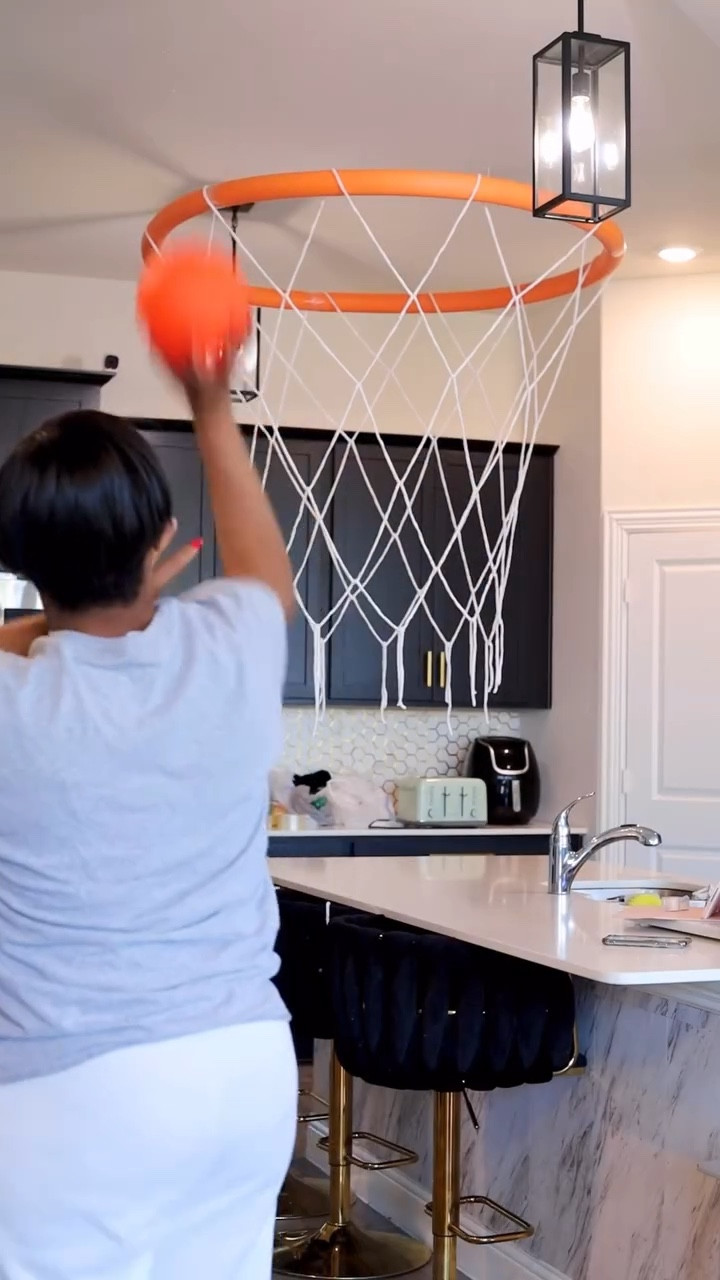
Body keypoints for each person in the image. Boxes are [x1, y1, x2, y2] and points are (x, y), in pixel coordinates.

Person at [0, 364, 297, 1280]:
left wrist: (41, 616)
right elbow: (264, 574)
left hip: (72, 1092)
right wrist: (211, 403)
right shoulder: (231, 645)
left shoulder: (18, 700)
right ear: (164, 538)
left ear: (18, 566)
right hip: (243, 1074)